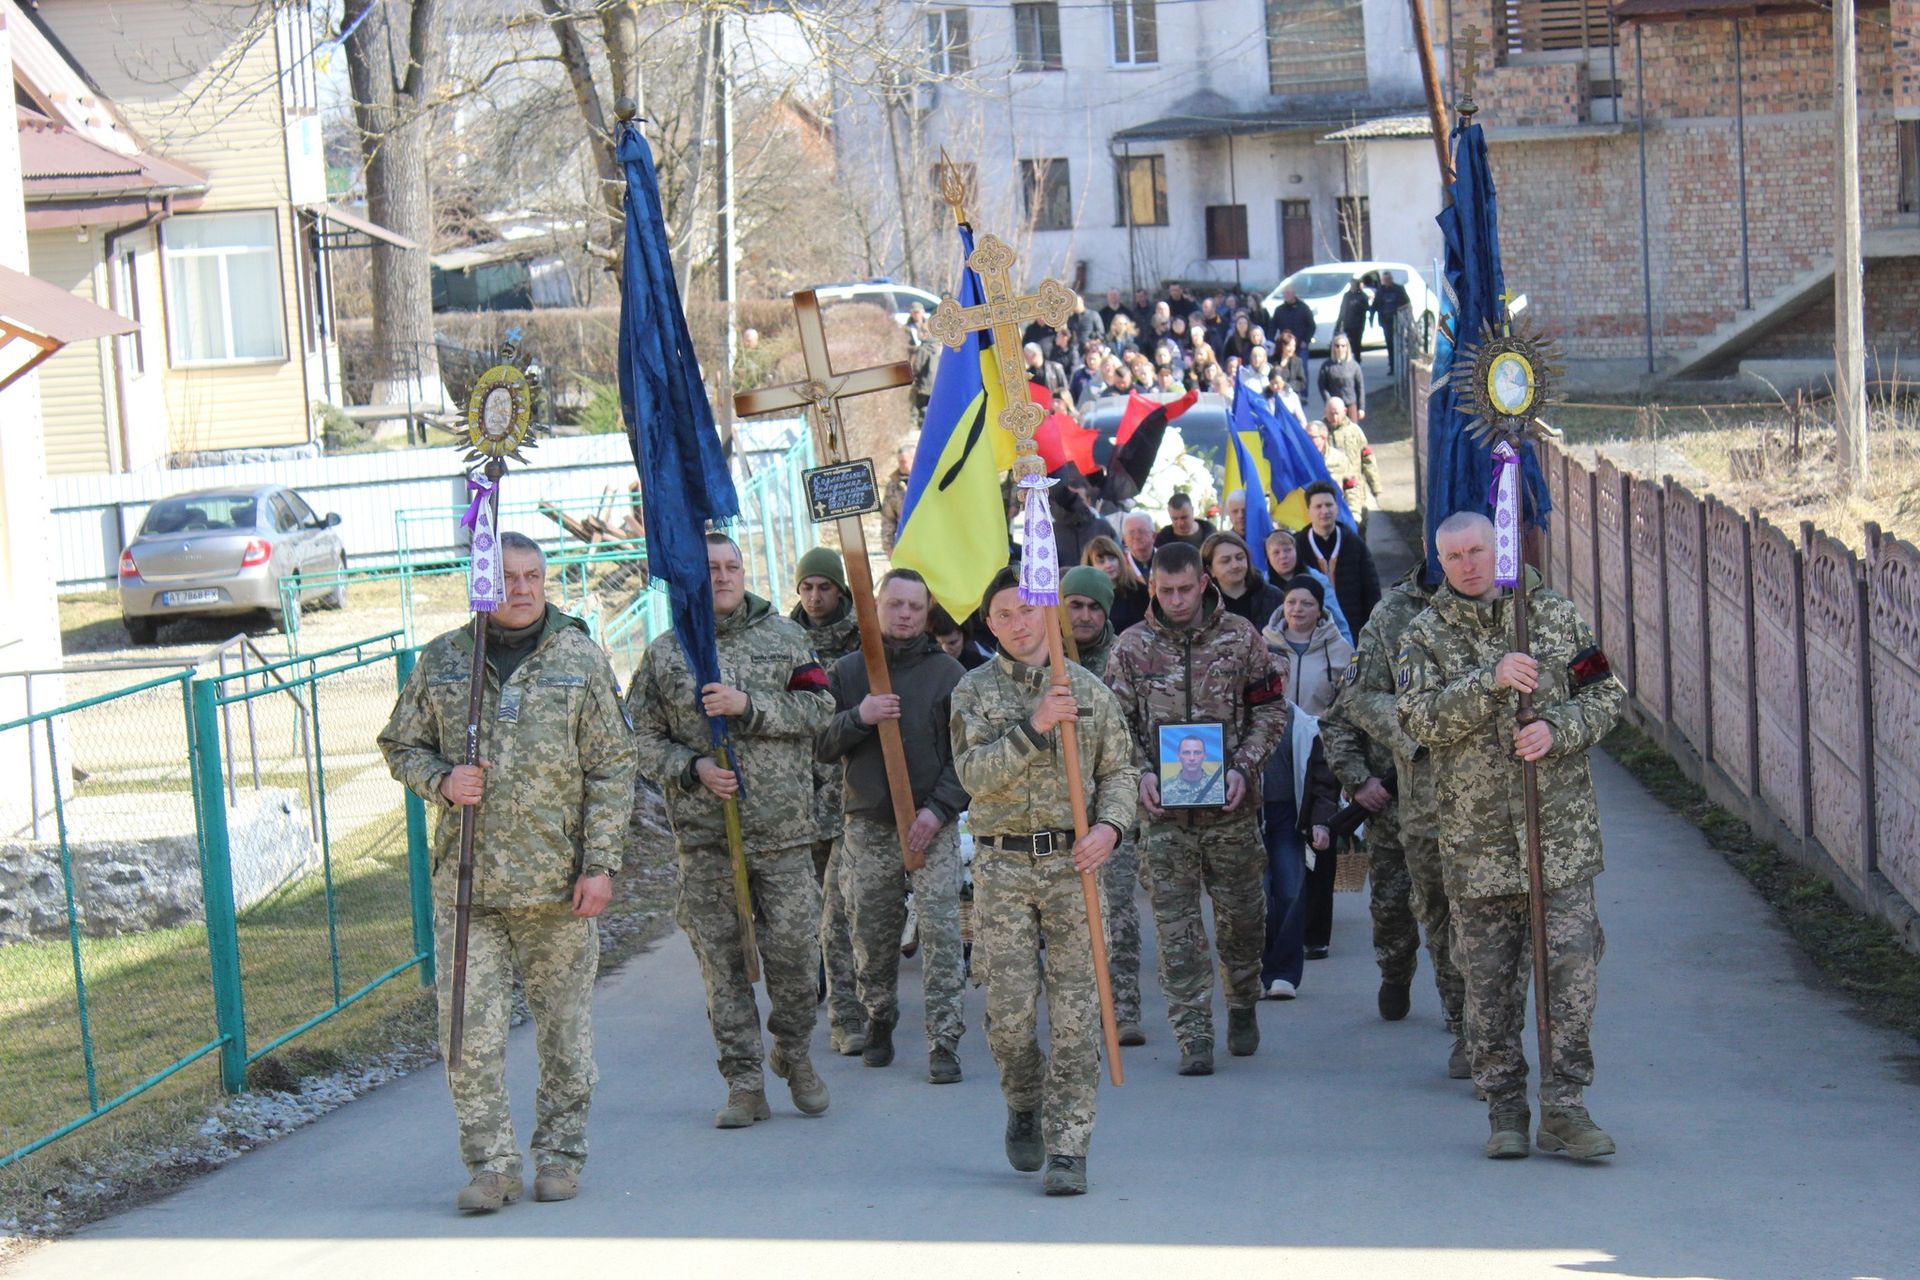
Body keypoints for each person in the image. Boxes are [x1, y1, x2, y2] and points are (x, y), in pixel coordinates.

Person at [378, 532, 637, 1212]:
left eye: (531, 576)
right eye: (506, 578)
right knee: (465, 1033)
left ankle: (560, 1155)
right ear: (481, 585)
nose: (520, 589)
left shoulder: (578, 659)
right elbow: (399, 744)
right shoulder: (443, 662)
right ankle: (491, 1166)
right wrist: (441, 779)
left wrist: (601, 865)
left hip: (559, 887)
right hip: (471, 891)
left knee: (564, 1032)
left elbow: (613, 766)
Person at [1398, 512, 1624, 1162]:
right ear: (1440, 563)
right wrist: (1488, 681)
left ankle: (1566, 1106)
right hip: (1479, 848)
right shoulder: (1425, 635)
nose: (1468, 564)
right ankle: (1505, 1109)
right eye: (1454, 556)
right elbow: (1419, 721)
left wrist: (1558, 731)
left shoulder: (1552, 615)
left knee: (1572, 978)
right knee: (1490, 989)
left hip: (1559, 840)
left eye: (1477, 550)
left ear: (1497, 548)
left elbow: (1606, 696)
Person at [629, 533, 835, 1128]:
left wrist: (750, 707)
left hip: (784, 832)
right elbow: (637, 740)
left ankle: (793, 1053)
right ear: (690, 577)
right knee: (723, 970)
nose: (721, 576)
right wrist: (689, 768)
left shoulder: (787, 639)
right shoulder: (668, 654)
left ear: (745, 571)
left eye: (731, 566)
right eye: (709, 567)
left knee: (796, 960)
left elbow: (822, 712)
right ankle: (744, 1083)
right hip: (706, 839)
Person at [952, 566, 1138, 1196]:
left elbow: (1121, 772)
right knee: (1006, 1015)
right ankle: (1023, 1098)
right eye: (1002, 615)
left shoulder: (1089, 690)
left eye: (1026, 611)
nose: (1016, 624)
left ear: (1047, 613)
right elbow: (974, 775)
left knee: (1078, 1013)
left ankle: (1069, 1145)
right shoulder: (972, 693)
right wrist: (1033, 727)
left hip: (1072, 867)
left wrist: (1109, 827)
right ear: (990, 625)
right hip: (1002, 867)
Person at [1106, 542, 1288, 1076]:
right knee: (1176, 928)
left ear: (1204, 583)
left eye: (1186, 588)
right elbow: (1116, 727)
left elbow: (1271, 710)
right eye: (1167, 591)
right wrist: (1140, 772)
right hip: (1164, 820)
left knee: (1243, 923)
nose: (1178, 599)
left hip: (1230, 810)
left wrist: (1244, 765)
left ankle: (1241, 999)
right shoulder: (1131, 648)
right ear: (1152, 588)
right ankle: (1193, 1034)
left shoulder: (1242, 639)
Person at [816, 568, 971, 1083]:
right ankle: (879, 1013)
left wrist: (938, 810)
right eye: (895, 604)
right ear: (876, 607)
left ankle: (944, 1040)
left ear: (927, 613)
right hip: (870, 825)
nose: (905, 614)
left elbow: (965, 757)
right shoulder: (848, 671)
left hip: (933, 823)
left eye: (915, 606)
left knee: (944, 932)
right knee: (872, 934)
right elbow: (818, 742)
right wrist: (859, 715)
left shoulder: (948, 674)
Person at [1319, 560, 1467, 1073]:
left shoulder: (1494, 610)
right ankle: (1395, 971)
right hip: (1394, 799)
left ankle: (1463, 1017)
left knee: (1451, 913)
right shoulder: (1391, 616)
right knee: (1392, 909)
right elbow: (1345, 711)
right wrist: (1359, 780)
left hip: (1462, 801)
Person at [790, 546, 865, 1056]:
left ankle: (847, 1015)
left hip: (846, 793)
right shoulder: (782, 641)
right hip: (793, 799)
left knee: (839, 912)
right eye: (807, 588)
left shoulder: (866, 641)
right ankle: (805, 994)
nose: (815, 597)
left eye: (824, 587)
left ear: (840, 590)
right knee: (802, 910)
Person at [1264, 573, 1353, 961]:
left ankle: (1316, 932)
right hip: (1278, 745)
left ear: (1321, 610)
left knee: (1320, 835)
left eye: (1307, 603)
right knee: (1280, 843)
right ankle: (1277, 927)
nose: (1298, 610)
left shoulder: (1340, 650)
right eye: (1291, 602)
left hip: (1323, 747)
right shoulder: (1263, 644)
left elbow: (1349, 703)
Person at [1256, 666, 1342, 1000]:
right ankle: (1256, 969)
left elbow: (1324, 779)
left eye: (1279, 676)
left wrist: (1320, 821)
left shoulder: (1306, 726)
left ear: (1288, 679)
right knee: (1256, 895)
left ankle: (1284, 974)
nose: (1272, 681)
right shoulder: (1241, 722)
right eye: (1265, 675)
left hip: (1289, 818)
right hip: (1251, 816)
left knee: (1291, 892)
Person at [1295, 481, 1381, 634]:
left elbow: (1371, 589)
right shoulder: (1298, 546)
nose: (1325, 511)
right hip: (1312, 631)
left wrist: (1371, 627)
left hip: (1353, 627)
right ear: (1308, 511)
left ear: (1337, 507)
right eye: (1318, 506)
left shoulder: (1354, 543)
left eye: (1329, 505)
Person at [1264, 527, 1350, 644]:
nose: (1283, 556)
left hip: (1318, 646)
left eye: (1288, 550)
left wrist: (1350, 654)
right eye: (1276, 552)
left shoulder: (1318, 580)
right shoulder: (1262, 585)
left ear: (1297, 551)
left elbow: (1338, 621)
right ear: (1268, 558)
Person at [1202, 530, 1284, 626]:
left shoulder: (1274, 597)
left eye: (1240, 557)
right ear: (1210, 569)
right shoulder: (1202, 605)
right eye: (1225, 561)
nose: (1235, 565)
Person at [1324, 397, 1380, 535]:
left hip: (1356, 489)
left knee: (1359, 525)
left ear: (1344, 411)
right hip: (1332, 492)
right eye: (1330, 413)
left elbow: (1367, 458)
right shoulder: (1321, 433)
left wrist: (1375, 485)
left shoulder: (1354, 431)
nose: (1334, 417)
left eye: (1337, 413)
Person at [1083, 535, 1148, 635]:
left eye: (1112, 558)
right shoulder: (1087, 598)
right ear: (1090, 566)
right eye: (1101, 561)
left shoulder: (1140, 591)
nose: (1108, 565)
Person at [1317, 333, 1366, 420]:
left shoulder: (1354, 366)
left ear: (1347, 348)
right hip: (1334, 407)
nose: (1340, 348)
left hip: (1351, 405)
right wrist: (1329, 401)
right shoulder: (1327, 365)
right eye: (1337, 346)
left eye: (1343, 346)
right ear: (1333, 348)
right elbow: (1322, 386)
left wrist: (1361, 408)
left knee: (1351, 432)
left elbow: (1360, 387)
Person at [1371, 271, 1412, 374]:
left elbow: (1407, 303)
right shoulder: (1380, 291)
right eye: (1384, 280)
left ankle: (1404, 367)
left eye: (1388, 279)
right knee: (1389, 344)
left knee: (1400, 344)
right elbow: (1375, 305)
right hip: (1386, 321)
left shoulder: (1398, 289)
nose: (1386, 282)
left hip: (1398, 321)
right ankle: (1392, 367)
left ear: (1391, 279)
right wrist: (1371, 318)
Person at [880, 440, 914, 555]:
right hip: (906, 542)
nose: (901, 465)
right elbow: (888, 518)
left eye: (904, 461)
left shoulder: (927, 480)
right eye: (899, 462)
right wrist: (888, 547)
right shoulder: (893, 485)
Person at [1270, 284, 1316, 357]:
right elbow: (1272, 327)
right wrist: (1271, 341)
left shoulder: (1303, 308)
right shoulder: (1279, 310)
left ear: (1294, 293)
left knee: (1301, 367)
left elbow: (1311, 326)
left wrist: (1306, 340)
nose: (1286, 295)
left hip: (1300, 347)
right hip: (1285, 346)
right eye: (1284, 293)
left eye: (1288, 293)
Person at [908, 331, 938, 428]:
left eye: (921, 331)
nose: (918, 334)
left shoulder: (923, 349)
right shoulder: (939, 347)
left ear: (926, 334)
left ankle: (922, 427)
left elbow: (917, 367)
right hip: (935, 384)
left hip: (923, 384)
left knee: (921, 406)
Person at [1336, 277, 1370, 357]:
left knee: (1356, 344)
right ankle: (1348, 359)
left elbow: (1365, 309)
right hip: (1347, 324)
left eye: (1354, 285)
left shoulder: (1362, 296)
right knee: (1347, 343)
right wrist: (1340, 323)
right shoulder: (1347, 295)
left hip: (1358, 325)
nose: (1353, 287)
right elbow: (1342, 310)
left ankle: (1357, 359)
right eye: (1352, 285)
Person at [1272, 331, 1308, 404]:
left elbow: (1302, 383)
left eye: (1294, 346)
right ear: (1282, 346)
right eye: (1289, 346)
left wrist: (1286, 385)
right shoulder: (1272, 360)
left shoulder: (1297, 361)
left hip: (1291, 398)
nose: (1292, 348)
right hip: (1274, 398)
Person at [1120, 511, 1156, 581]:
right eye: (1131, 532)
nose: (1137, 536)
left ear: (1153, 536)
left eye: (1141, 531)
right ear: (1124, 539)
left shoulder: (1167, 560)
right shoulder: (1119, 565)